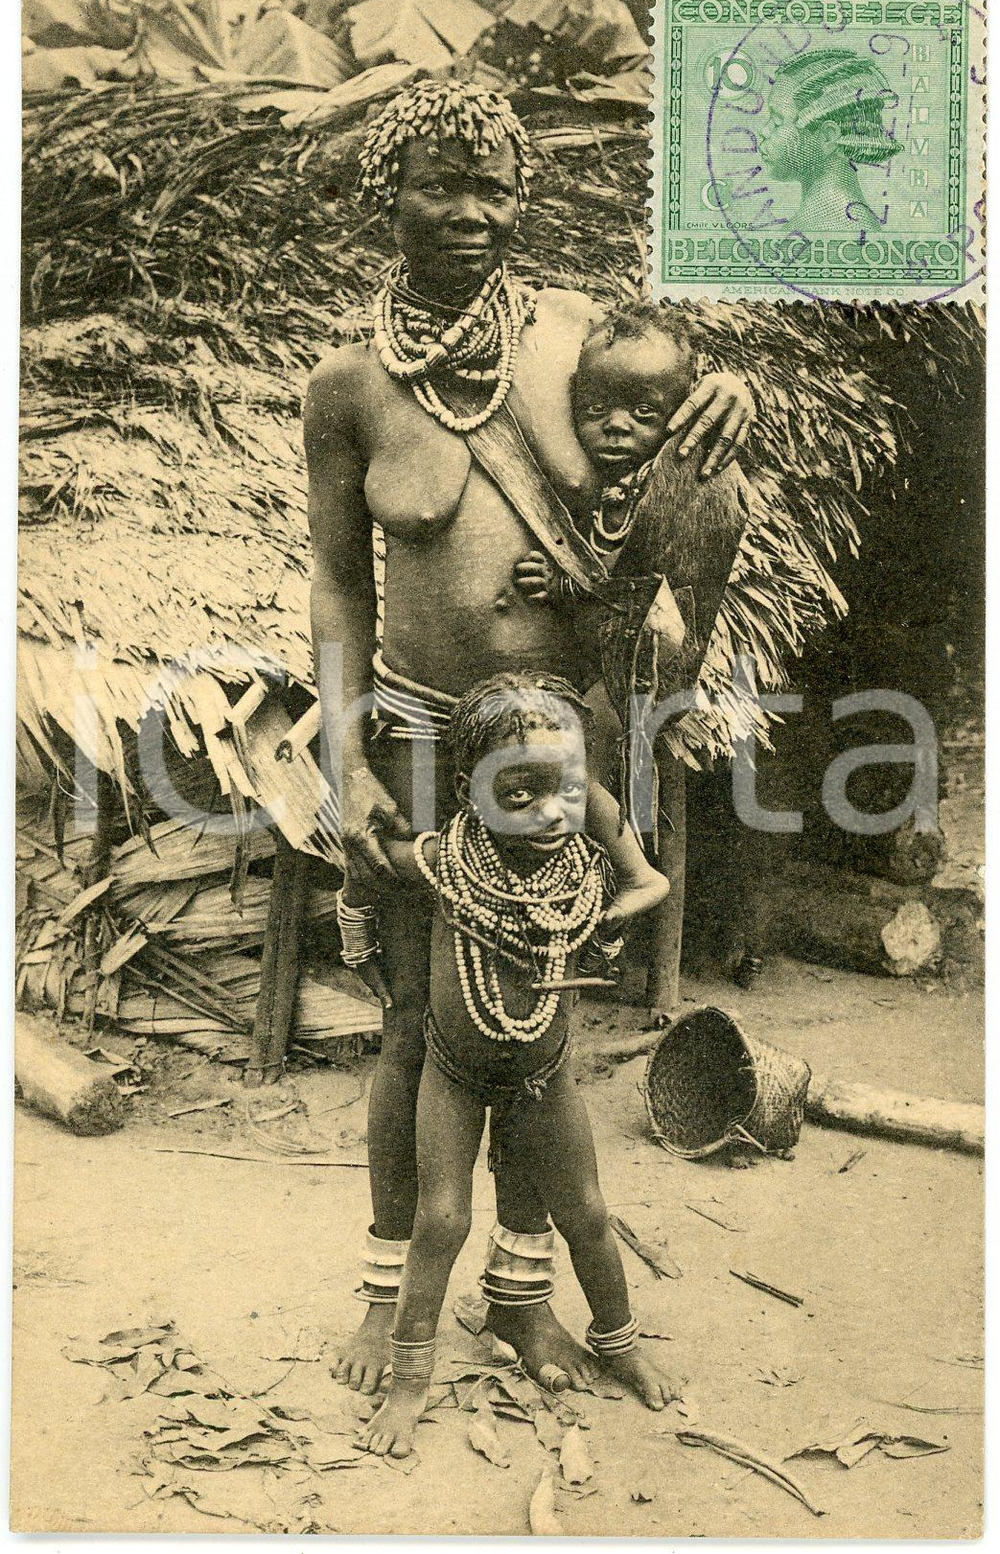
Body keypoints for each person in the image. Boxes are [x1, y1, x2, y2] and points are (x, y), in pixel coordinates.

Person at [307, 77, 756, 1396]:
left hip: (560, 750)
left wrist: (726, 399)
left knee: (540, 1039)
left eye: (492, 190)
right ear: (384, 196)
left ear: (523, 199)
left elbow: (687, 460)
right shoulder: (345, 385)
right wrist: (340, 757)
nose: (468, 215)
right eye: (438, 189)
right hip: (417, 738)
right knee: (414, 1028)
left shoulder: (575, 346)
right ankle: (390, 1292)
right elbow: (337, 578)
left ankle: (520, 1296)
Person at [338, 673, 674, 1458]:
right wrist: (356, 934)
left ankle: (618, 1339)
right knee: (442, 1218)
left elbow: (648, 882)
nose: (551, 813)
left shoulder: (583, 862)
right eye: (518, 795)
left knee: (587, 1213)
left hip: (544, 1074)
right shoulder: (445, 860)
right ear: (466, 790)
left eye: (566, 791)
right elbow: (362, 860)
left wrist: (601, 920)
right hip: (451, 1073)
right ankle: (412, 1378)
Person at [512, 300, 697, 604]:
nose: (616, 425)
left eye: (643, 411)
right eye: (596, 409)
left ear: (679, 411)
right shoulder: (580, 472)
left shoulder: (668, 486)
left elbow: (641, 581)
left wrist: (562, 587)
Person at [759, 48, 903, 232]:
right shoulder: (816, 220)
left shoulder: (842, 226)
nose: (764, 131)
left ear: (828, 137)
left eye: (777, 122)